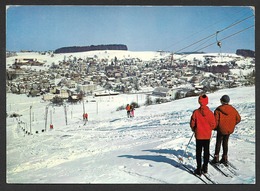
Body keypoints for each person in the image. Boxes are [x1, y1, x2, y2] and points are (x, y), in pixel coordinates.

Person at [190, 94, 216, 175]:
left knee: (198, 152)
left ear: (199, 101)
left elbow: (192, 124)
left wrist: (195, 129)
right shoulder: (210, 113)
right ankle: (205, 168)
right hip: (207, 135)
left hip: (199, 135)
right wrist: (208, 129)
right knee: (206, 151)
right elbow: (213, 124)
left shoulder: (196, 112)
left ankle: (198, 169)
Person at [211, 95, 241, 165]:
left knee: (218, 142)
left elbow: (215, 121)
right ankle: (225, 158)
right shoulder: (233, 109)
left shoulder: (218, 110)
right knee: (225, 142)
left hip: (221, 130)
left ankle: (216, 158)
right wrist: (232, 124)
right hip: (229, 130)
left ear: (221, 101)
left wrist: (215, 128)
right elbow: (238, 119)